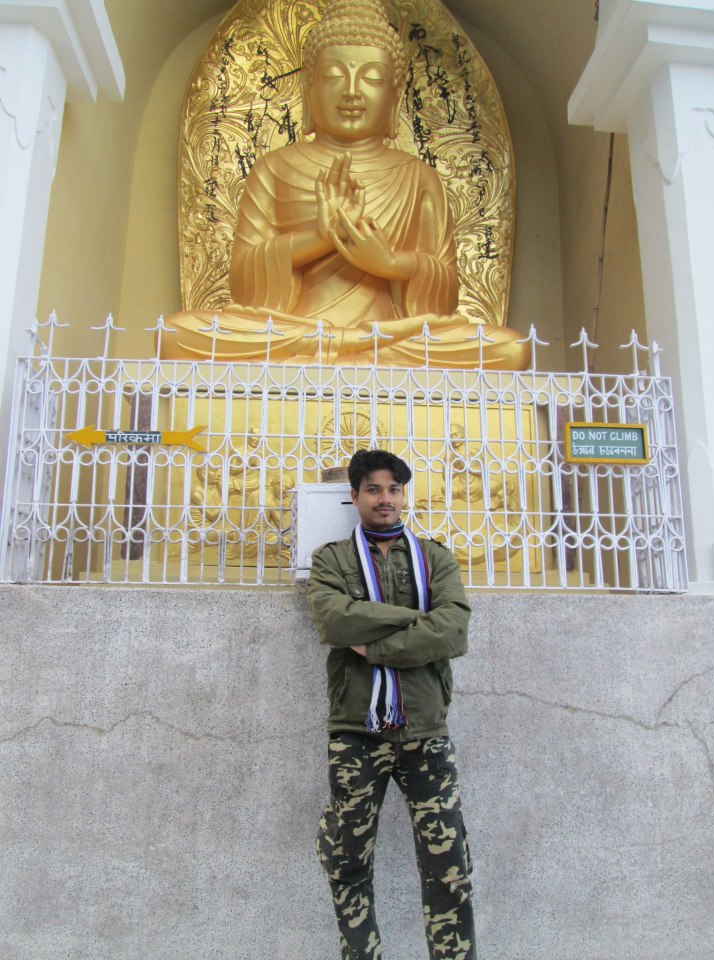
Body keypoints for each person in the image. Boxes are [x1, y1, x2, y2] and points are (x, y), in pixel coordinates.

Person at [159, 0, 529, 370]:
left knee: (511, 348)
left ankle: (352, 350)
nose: (352, 91)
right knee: (175, 334)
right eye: (335, 75)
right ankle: (344, 349)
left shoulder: (418, 177)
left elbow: (443, 298)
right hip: (297, 334)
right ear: (309, 85)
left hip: (390, 338)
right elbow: (245, 286)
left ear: (395, 94)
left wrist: (389, 263)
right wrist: (318, 239)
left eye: (372, 78)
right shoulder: (274, 168)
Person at [309, 449, 476, 960]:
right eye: (375, 489)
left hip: (425, 729)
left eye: (395, 489)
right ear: (355, 496)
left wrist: (376, 643)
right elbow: (335, 621)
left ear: (404, 495)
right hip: (356, 730)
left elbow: (453, 629)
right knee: (349, 861)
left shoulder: (434, 558)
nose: (386, 499)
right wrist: (413, 621)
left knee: (448, 863)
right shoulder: (331, 559)